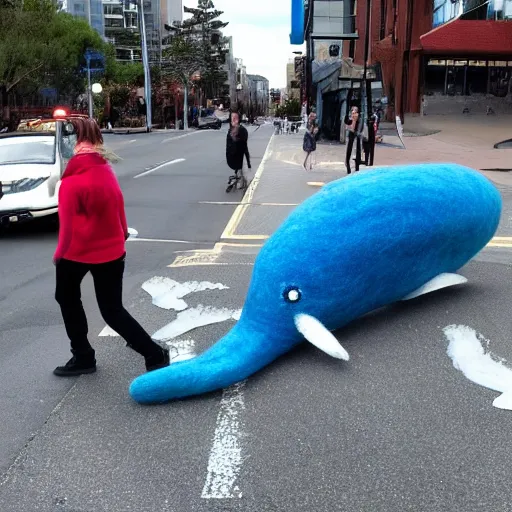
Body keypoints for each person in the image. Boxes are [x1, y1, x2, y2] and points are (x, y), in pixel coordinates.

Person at [53, 117, 169, 377]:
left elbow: (67, 226)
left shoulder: (71, 182)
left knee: (67, 298)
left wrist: (59, 254)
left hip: (78, 252)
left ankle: (83, 356)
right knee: (112, 310)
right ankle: (154, 353)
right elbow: (119, 203)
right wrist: (122, 232)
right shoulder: (105, 169)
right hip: (112, 250)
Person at [226, 112, 251, 190]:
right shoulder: (230, 131)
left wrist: (248, 162)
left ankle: (241, 179)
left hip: (238, 158)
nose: (233, 120)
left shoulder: (242, 131)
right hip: (231, 157)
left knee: (240, 164)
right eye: (232, 118)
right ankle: (240, 178)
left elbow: (244, 147)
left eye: (235, 118)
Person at [344, 106, 363, 174]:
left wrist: (348, 127)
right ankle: (350, 166)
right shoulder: (353, 118)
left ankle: (353, 167)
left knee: (354, 151)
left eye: (355, 111)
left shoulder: (356, 118)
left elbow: (354, 128)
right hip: (353, 135)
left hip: (354, 135)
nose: (353, 113)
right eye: (353, 111)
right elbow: (348, 125)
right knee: (352, 150)